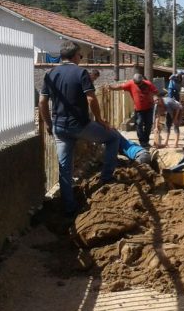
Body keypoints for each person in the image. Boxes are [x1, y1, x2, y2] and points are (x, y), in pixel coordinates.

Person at [39, 41, 121, 216]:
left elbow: (42, 102)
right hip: (80, 126)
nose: (81, 59)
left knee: (64, 168)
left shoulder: (50, 74)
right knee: (113, 138)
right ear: (75, 55)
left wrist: (48, 123)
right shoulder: (81, 72)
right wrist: (100, 120)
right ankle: (106, 177)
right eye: (80, 56)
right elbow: (91, 99)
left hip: (59, 127)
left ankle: (69, 207)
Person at [109, 73, 157, 148]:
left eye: (139, 83)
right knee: (139, 124)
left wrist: (155, 97)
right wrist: (112, 88)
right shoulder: (130, 84)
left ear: (142, 80)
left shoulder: (148, 84)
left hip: (149, 108)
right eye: (136, 83)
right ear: (134, 81)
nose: (138, 85)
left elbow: (156, 92)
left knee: (149, 124)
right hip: (139, 109)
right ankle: (142, 141)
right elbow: (121, 87)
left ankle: (146, 140)